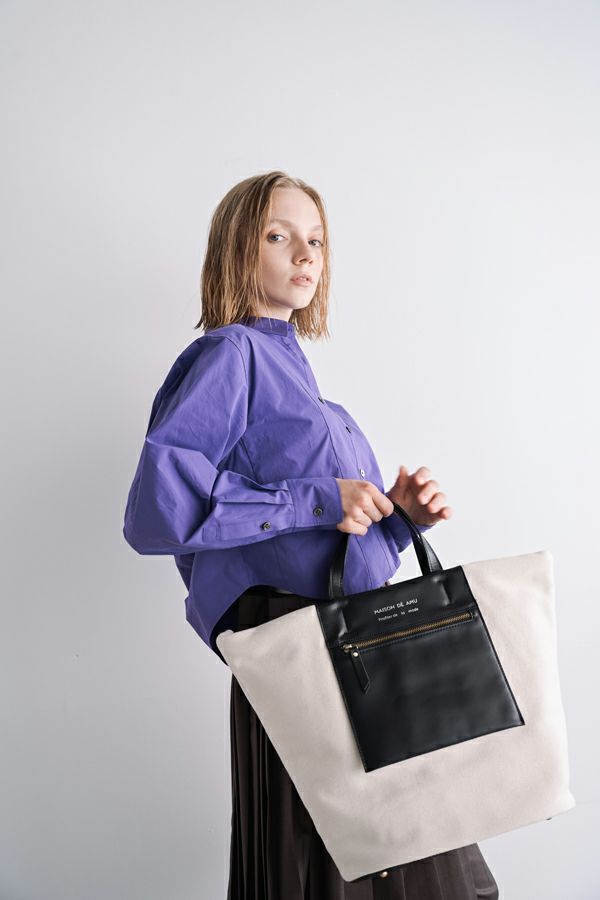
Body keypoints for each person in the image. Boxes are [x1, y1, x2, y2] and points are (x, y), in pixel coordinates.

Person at [122, 171, 500, 898]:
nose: (305, 254)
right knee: (349, 862)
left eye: (317, 241)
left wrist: (399, 519)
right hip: (297, 653)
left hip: (345, 652)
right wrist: (319, 498)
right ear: (239, 248)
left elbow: (334, 561)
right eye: (279, 235)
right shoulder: (231, 356)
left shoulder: (321, 401)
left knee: (392, 854)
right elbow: (154, 513)